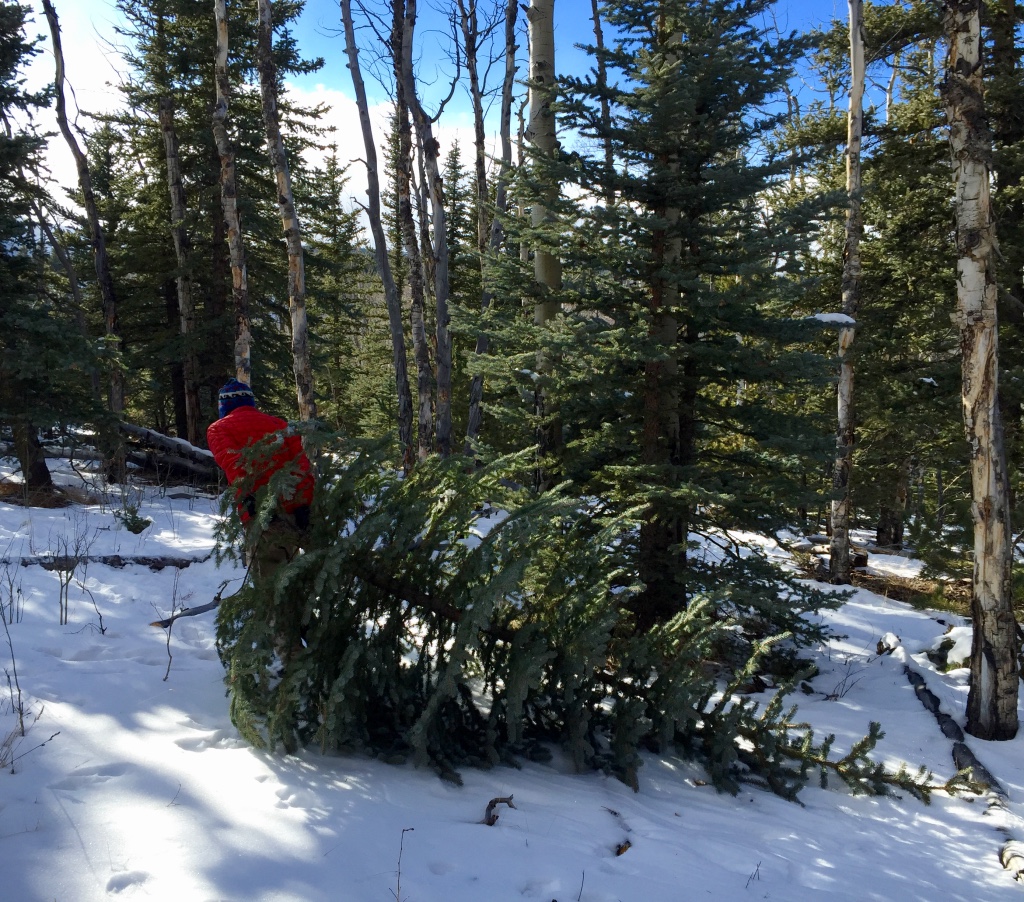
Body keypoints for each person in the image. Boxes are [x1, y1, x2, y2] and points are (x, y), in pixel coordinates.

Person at [206, 379, 313, 579]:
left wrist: (252, 501)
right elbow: (302, 467)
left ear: (224, 406)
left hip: (260, 515)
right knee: (293, 576)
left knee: (270, 583)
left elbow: (235, 466)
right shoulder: (279, 424)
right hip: (292, 510)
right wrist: (303, 506)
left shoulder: (218, 428)